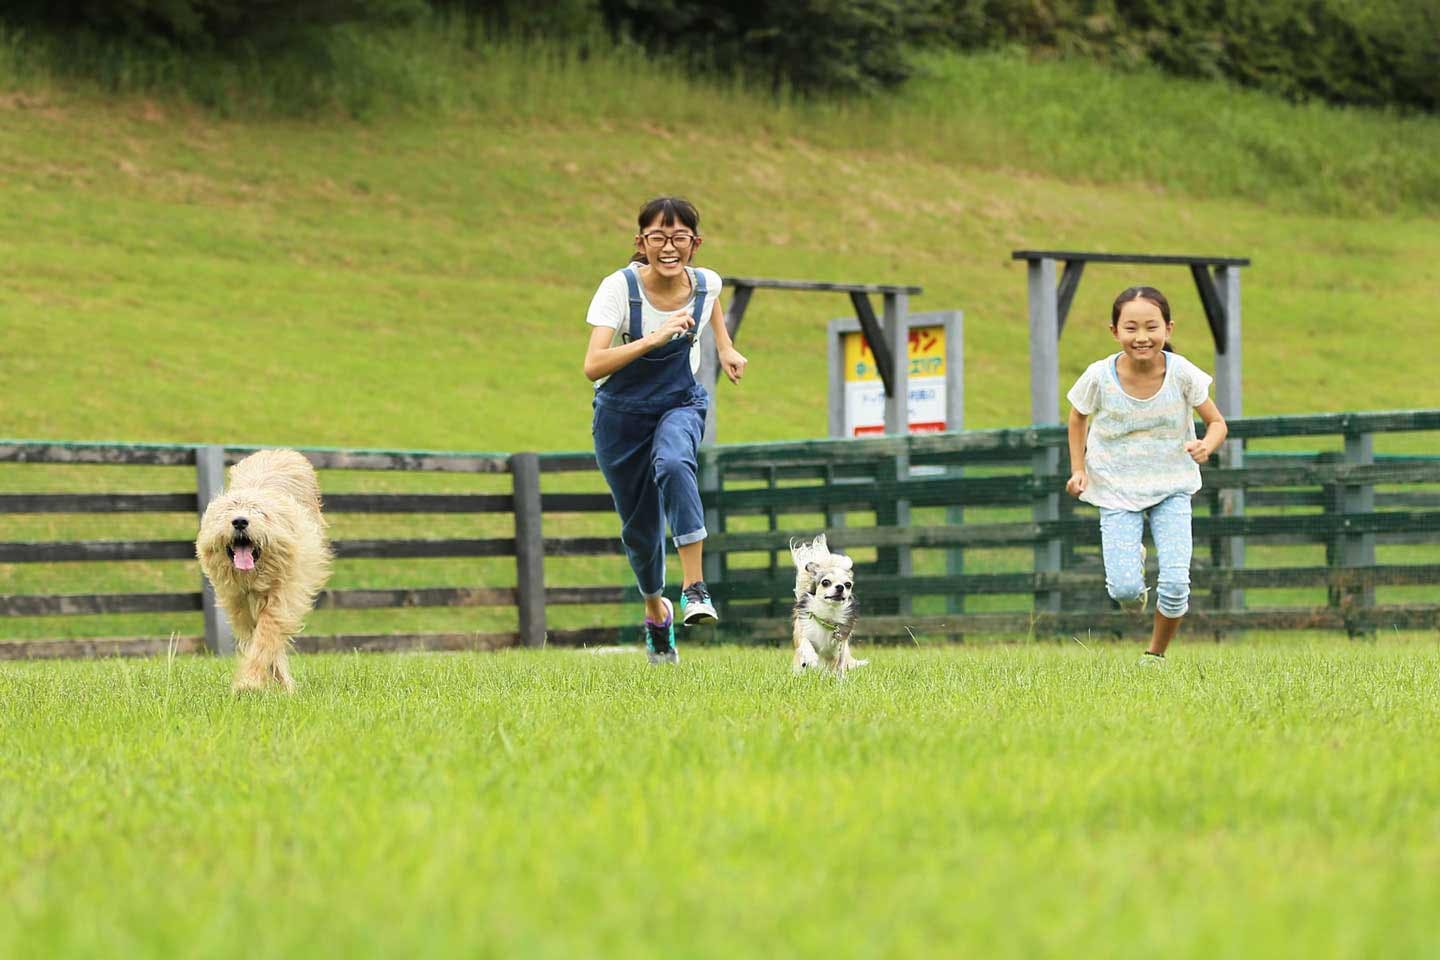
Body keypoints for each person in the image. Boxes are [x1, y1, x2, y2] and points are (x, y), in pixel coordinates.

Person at [583, 197, 748, 664]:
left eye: (679, 238)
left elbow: (711, 301)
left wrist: (726, 346)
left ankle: (695, 588)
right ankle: (658, 613)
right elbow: (593, 365)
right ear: (642, 242)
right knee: (640, 530)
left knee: (675, 462)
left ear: (695, 244)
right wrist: (654, 338)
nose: (669, 247)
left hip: (680, 401)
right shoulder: (618, 290)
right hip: (620, 417)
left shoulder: (706, 282)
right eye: (658, 237)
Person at [1064, 285, 1228, 666]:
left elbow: (1217, 423)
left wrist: (1206, 445)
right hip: (1115, 489)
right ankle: (1131, 572)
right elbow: (1077, 416)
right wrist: (1078, 468)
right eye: (1131, 328)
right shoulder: (1098, 376)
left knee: (1174, 582)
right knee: (1124, 590)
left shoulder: (1183, 373)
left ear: (1168, 329)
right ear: (1114, 331)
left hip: (1172, 487)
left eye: (1151, 327)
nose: (1142, 337)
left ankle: (1154, 655)